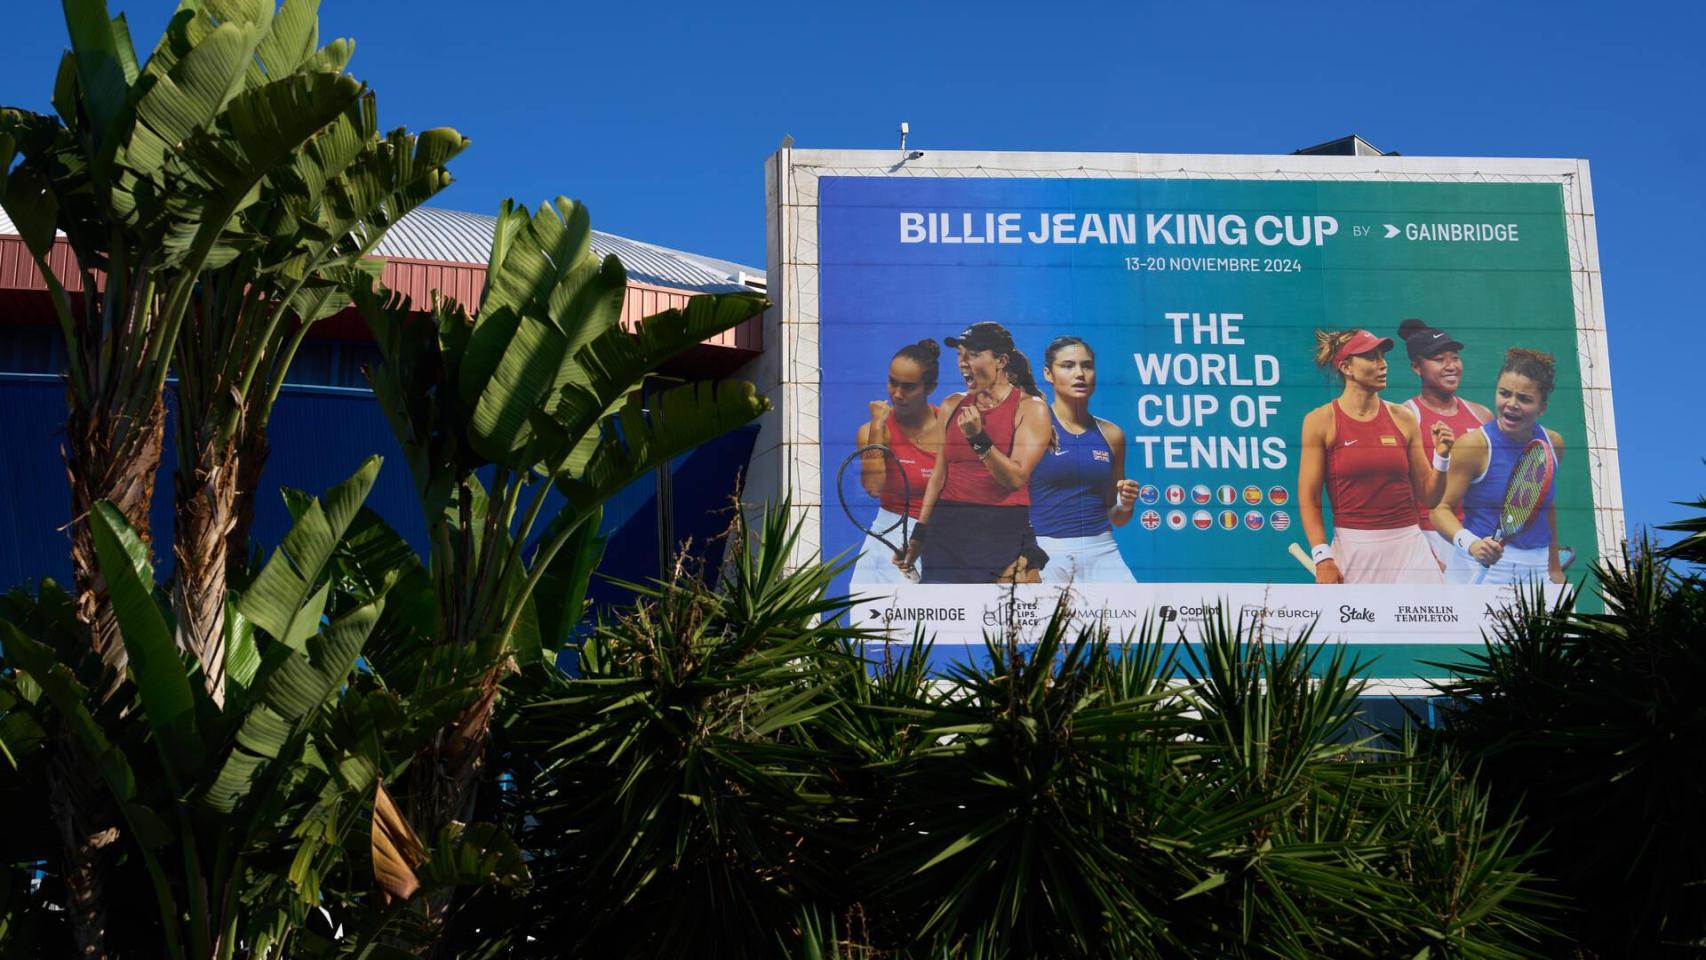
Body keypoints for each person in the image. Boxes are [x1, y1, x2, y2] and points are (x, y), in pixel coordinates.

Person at [1297, 329, 1454, 584]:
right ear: (1347, 367)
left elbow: (1429, 497)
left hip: (1410, 547)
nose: (1383, 364)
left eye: (1382, 356)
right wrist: (1322, 557)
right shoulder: (1319, 421)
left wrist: (1442, 458)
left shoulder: (1403, 417)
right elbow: (1309, 497)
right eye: (1371, 357)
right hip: (1353, 547)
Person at [901, 322, 1052, 584]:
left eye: (972, 355)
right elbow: (938, 475)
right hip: (946, 529)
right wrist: (919, 535)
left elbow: (1015, 479)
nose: (962, 363)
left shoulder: (1031, 408)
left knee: (1008, 622)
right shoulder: (951, 405)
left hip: (1003, 529)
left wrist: (978, 439)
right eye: (960, 354)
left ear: (1001, 360)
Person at [1432, 349, 1566, 585]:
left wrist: (1554, 568)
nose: (1511, 404)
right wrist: (1472, 544)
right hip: (1477, 564)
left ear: (1542, 407)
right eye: (1504, 393)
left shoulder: (1553, 443)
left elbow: (1544, 503)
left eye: (1524, 399)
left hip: (1537, 569)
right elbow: (1439, 509)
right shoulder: (1473, 446)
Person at [1028, 336, 1139, 583]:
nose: (1080, 373)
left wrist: (1127, 504)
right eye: (1068, 366)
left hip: (1102, 549)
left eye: (1086, 366)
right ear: (1048, 374)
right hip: (1048, 551)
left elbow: (1117, 516)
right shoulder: (1031, 427)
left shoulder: (1112, 434)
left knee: (1138, 619)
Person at [1396, 318, 1492, 567]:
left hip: (1481, 539)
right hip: (1430, 539)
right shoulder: (1405, 417)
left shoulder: (1482, 415)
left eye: (1454, 357)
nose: (1451, 366)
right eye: (1439, 360)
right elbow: (1396, 494)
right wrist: (1425, 554)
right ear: (1417, 367)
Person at [851, 340, 945, 585]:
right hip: (888, 535)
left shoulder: (951, 428)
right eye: (892, 382)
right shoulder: (872, 431)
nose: (897, 394)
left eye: (908, 386)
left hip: (941, 537)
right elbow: (873, 488)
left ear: (930, 387)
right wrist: (878, 428)